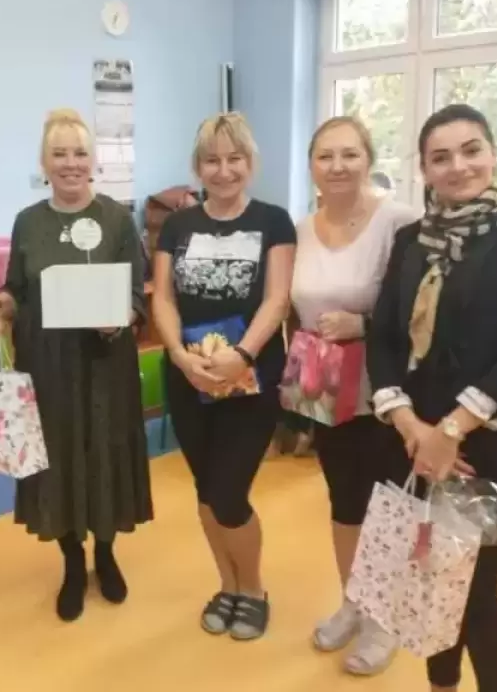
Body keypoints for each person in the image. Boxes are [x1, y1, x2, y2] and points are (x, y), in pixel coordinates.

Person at [367, 103, 497, 692]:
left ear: (492, 152)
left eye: (471, 149)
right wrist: (412, 427)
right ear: (424, 170)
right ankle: (442, 685)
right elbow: (384, 338)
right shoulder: (411, 240)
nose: (458, 166)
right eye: (441, 157)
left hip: (494, 446)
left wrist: (450, 430)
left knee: (476, 596)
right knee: (433, 582)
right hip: (416, 443)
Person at [0, 109, 153, 623]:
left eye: (80, 153)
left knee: (104, 455)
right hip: (47, 366)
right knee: (60, 461)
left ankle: (106, 552)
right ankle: (73, 562)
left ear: (93, 160)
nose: (71, 163)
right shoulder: (29, 222)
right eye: (59, 154)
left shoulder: (117, 220)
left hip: (105, 364)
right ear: (44, 162)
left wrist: (121, 317)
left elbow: (136, 296)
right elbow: (16, 289)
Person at [152, 112, 296, 641]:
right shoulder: (177, 226)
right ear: (198, 166)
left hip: (250, 378)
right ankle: (227, 585)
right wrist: (178, 355)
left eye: (235, 158)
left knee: (230, 491)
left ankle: (253, 589)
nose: (224, 169)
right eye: (212, 160)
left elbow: (277, 298)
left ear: (250, 162)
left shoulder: (273, 221)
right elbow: (163, 298)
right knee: (207, 491)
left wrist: (243, 354)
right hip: (189, 377)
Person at [290, 116, 416, 675]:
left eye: (349, 154)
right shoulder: (301, 228)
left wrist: (362, 324)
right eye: (325, 156)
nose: (337, 166)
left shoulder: (400, 222)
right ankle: (353, 602)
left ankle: (384, 620)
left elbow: (422, 309)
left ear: (369, 158)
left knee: (388, 507)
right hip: (323, 386)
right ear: (311, 166)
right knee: (344, 501)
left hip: (386, 389)